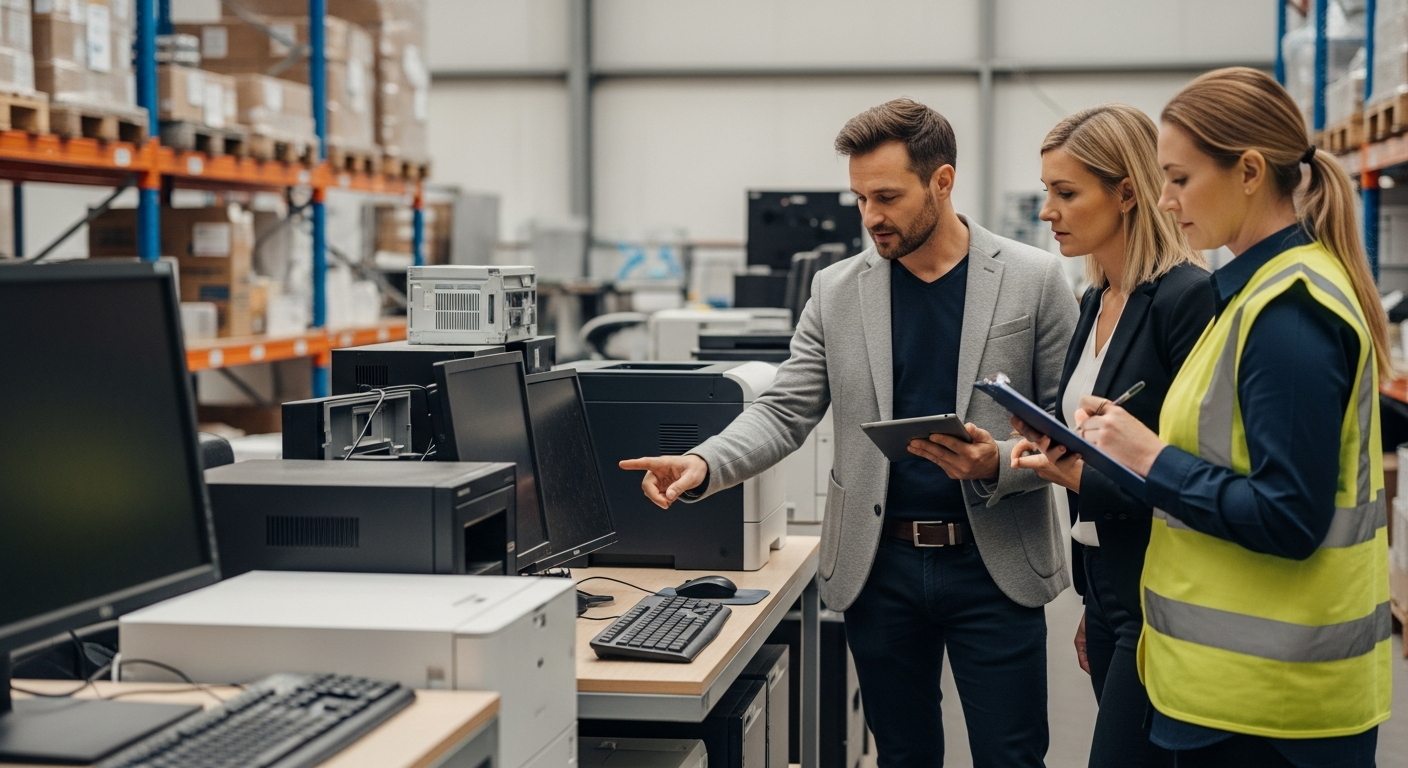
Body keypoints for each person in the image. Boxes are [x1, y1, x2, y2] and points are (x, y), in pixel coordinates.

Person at [619, 98, 1078, 768]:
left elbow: (1064, 427)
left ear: (942, 183)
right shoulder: (837, 293)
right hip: (880, 568)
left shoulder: (1034, 279)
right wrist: (703, 463)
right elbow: (784, 408)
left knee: (1012, 756)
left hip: (994, 563)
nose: (871, 217)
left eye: (887, 197)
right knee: (901, 756)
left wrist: (997, 461)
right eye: (860, 198)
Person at [1074, 67, 1392, 768]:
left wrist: (1151, 459)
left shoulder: (1288, 315)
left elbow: (1290, 516)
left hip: (1271, 714)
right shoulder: (1251, 296)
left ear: (1249, 171)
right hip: (1233, 697)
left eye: (1180, 179)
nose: (1164, 199)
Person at [1009, 104, 1213, 768]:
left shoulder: (1187, 300)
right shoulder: (1097, 299)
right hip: (1104, 583)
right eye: (1047, 192)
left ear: (1128, 191)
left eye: (1066, 193)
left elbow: (1194, 471)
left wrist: (1075, 476)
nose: (1048, 211)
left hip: (1161, 591)